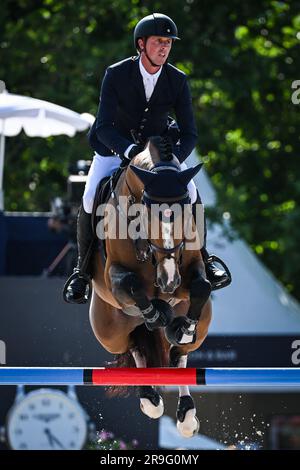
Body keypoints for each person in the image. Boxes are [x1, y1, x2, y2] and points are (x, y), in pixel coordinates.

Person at [64, 13, 230, 304]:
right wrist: (128, 152)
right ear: (141, 44)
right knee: (90, 196)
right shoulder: (116, 74)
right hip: (114, 149)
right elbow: (102, 126)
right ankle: (82, 272)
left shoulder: (177, 79)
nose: (164, 48)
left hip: (158, 156)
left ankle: (205, 259)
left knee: (191, 192)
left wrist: (171, 164)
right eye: (158, 42)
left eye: (168, 43)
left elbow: (190, 133)